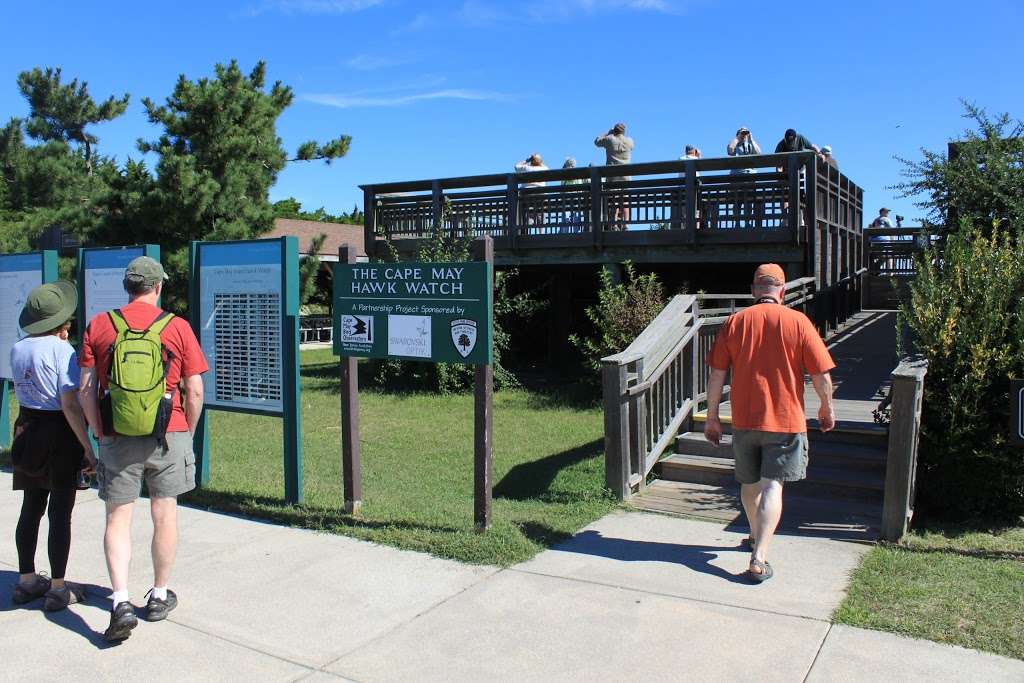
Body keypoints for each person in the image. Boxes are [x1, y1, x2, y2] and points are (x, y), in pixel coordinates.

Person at [79, 256, 209, 643]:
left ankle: (119, 600)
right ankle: (158, 594)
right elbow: (195, 389)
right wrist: (188, 426)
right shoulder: (177, 327)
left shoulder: (100, 325)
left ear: (127, 286)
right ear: (157, 287)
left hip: (117, 434)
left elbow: (87, 389)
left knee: (117, 518)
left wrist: (100, 431)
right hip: (168, 432)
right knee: (164, 513)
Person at [703, 264, 836, 583]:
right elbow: (821, 375)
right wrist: (826, 408)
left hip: (745, 419)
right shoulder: (799, 322)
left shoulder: (735, 322)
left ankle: (753, 534)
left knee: (749, 485)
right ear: (783, 291)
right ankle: (759, 556)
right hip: (785, 420)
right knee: (772, 485)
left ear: (754, 290)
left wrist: (711, 418)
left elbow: (717, 375)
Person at [9, 282, 96, 611]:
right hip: (58, 431)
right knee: (60, 512)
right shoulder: (63, 352)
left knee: (31, 507)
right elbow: (69, 403)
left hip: (28, 428)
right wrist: (86, 446)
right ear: (62, 323)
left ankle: (27, 579)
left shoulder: (18, 348)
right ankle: (58, 586)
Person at [594, 122, 635, 229]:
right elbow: (632, 147)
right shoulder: (630, 141)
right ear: (624, 131)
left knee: (614, 200)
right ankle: (626, 224)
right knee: (625, 199)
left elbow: (597, 142)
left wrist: (608, 132)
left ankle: (614, 224)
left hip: (612, 176)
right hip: (626, 176)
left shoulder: (610, 139)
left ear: (614, 130)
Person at [514, 154, 548, 229]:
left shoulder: (526, 168)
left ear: (531, 161)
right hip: (540, 196)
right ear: (540, 161)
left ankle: (527, 225)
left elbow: (516, 166)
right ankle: (541, 232)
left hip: (527, 196)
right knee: (540, 212)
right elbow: (545, 167)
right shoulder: (544, 168)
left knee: (526, 209)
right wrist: (539, 161)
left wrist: (526, 160)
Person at [560, 157, 586, 233]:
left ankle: (565, 232)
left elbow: (561, 189)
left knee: (566, 216)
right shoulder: (579, 175)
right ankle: (576, 232)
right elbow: (580, 189)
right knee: (576, 217)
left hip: (566, 200)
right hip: (576, 199)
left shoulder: (563, 176)